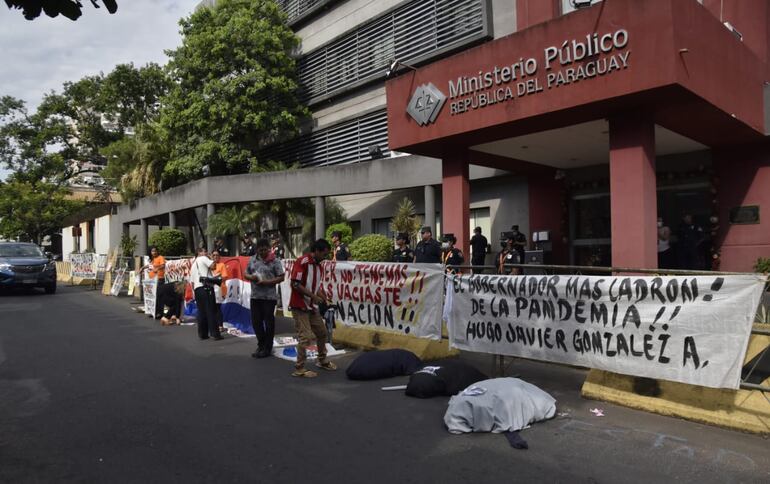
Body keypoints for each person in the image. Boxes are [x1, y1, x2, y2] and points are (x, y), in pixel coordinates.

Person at [288, 238, 336, 378]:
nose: (325, 257)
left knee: (322, 333)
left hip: (312, 306)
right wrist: (313, 296)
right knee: (306, 338)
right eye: (324, 254)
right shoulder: (303, 262)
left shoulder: (319, 266)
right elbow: (295, 284)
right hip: (300, 305)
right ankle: (300, 368)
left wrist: (323, 296)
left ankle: (322, 360)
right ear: (316, 251)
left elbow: (314, 286)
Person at [244, 238, 285, 358]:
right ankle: (261, 345)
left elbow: (281, 277)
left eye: (265, 250)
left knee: (269, 322)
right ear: (257, 250)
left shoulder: (275, 261)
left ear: (269, 248)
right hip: (255, 296)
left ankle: (268, 347)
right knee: (256, 322)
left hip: (269, 297)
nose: (262, 252)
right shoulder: (252, 259)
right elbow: (246, 273)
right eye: (260, 250)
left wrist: (267, 282)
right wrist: (252, 277)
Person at [190, 247, 222, 341]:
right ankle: (215, 333)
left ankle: (203, 334)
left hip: (197, 289)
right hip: (206, 287)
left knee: (201, 312)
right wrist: (210, 258)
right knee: (211, 310)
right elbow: (213, 266)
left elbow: (192, 282)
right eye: (205, 251)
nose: (207, 252)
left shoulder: (193, 265)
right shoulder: (203, 258)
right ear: (200, 252)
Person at [141, 246, 166, 318]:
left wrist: (157, 269)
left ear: (157, 251)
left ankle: (159, 313)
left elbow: (163, 265)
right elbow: (150, 265)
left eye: (155, 251)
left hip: (159, 279)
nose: (154, 252)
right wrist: (143, 268)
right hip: (152, 280)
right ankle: (154, 312)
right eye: (152, 251)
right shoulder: (153, 259)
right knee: (153, 296)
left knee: (159, 296)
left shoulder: (160, 257)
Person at [211, 250, 230, 334]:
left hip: (219, 288)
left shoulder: (221, 265)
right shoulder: (210, 265)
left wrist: (215, 278)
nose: (215, 257)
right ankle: (213, 325)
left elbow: (224, 277)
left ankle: (220, 326)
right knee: (212, 308)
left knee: (217, 308)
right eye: (214, 255)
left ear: (219, 257)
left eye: (217, 255)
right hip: (211, 288)